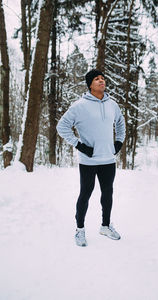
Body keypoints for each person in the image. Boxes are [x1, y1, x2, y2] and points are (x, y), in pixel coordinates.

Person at [56, 69, 125, 247]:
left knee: (107, 193)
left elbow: (120, 122)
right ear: (90, 84)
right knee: (85, 194)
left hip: (108, 159)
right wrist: (80, 145)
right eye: (97, 79)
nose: (101, 81)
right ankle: (80, 230)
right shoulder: (80, 106)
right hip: (89, 160)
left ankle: (105, 226)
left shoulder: (112, 104)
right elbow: (61, 126)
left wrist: (119, 142)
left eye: (103, 78)